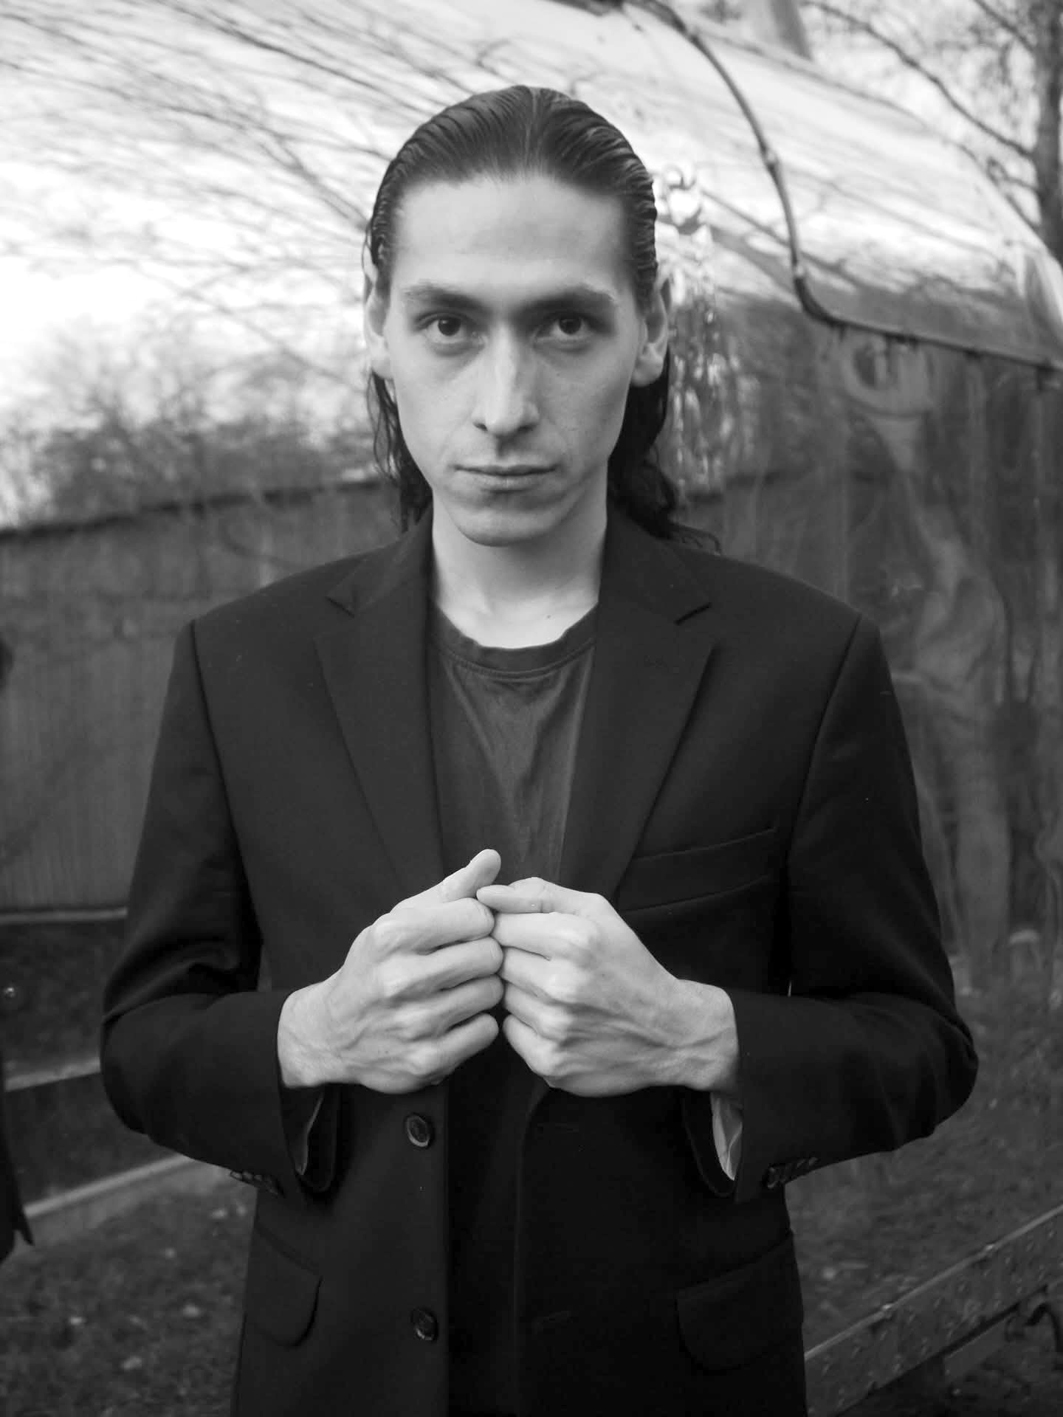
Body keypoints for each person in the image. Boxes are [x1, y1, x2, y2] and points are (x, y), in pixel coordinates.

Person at [101, 85, 977, 1417]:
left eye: (564, 323)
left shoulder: (802, 665)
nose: (504, 406)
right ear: (379, 332)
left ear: (648, 333)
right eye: (449, 324)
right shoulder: (244, 666)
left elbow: (918, 1045)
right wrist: (312, 1030)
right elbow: (143, 1040)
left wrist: (696, 1032)